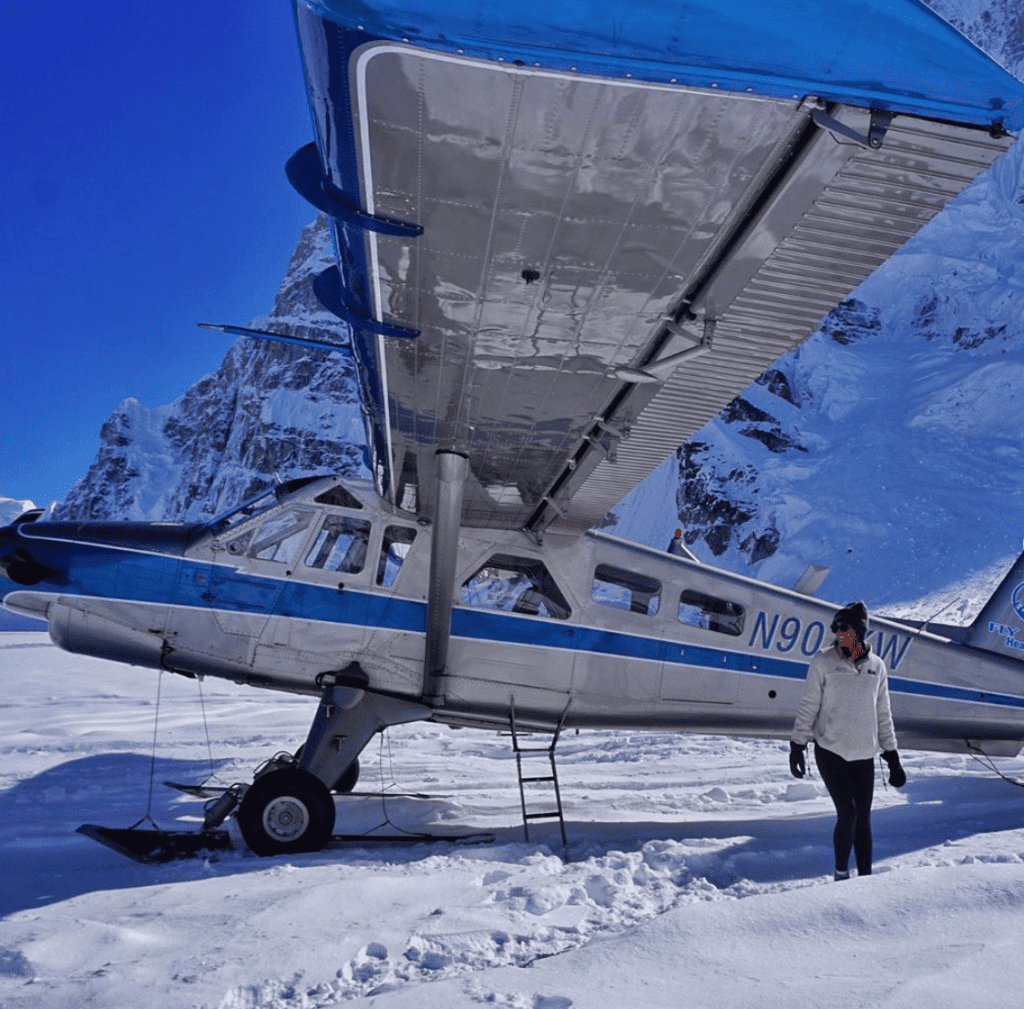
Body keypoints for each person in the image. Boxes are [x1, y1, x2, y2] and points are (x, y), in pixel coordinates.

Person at [789, 601, 906, 880]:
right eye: (836, 627)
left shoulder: (877, 667)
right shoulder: (823, 661)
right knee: (849, 812)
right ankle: (841, 873)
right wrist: (797, 745)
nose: (839, 632)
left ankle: (865, 878)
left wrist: (892, 757)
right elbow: (808, 705)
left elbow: (883, 713)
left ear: (860, 631)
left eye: (845, 627)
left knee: (863, 821)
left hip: (864, 754)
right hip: (831, 751)